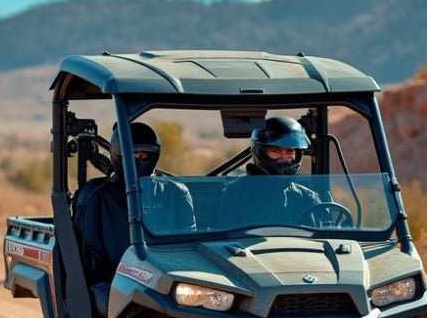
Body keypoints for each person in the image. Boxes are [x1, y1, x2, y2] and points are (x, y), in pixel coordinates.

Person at [75, 123, 195, 297]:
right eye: (133, 155)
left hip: (169, 278)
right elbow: (90, 252)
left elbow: (188, 246)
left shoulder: (175, 192)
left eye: (144, 155)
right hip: (114, 278)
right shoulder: (96, 196)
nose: (139, 161)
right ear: (118, 156)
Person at [224, 116, 323, 226]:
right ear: (260, 152)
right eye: (275, 151)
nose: (284, 157)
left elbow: (320, 238)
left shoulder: (307, 198)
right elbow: (225, 239)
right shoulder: (235, 193)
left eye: (290, 151)